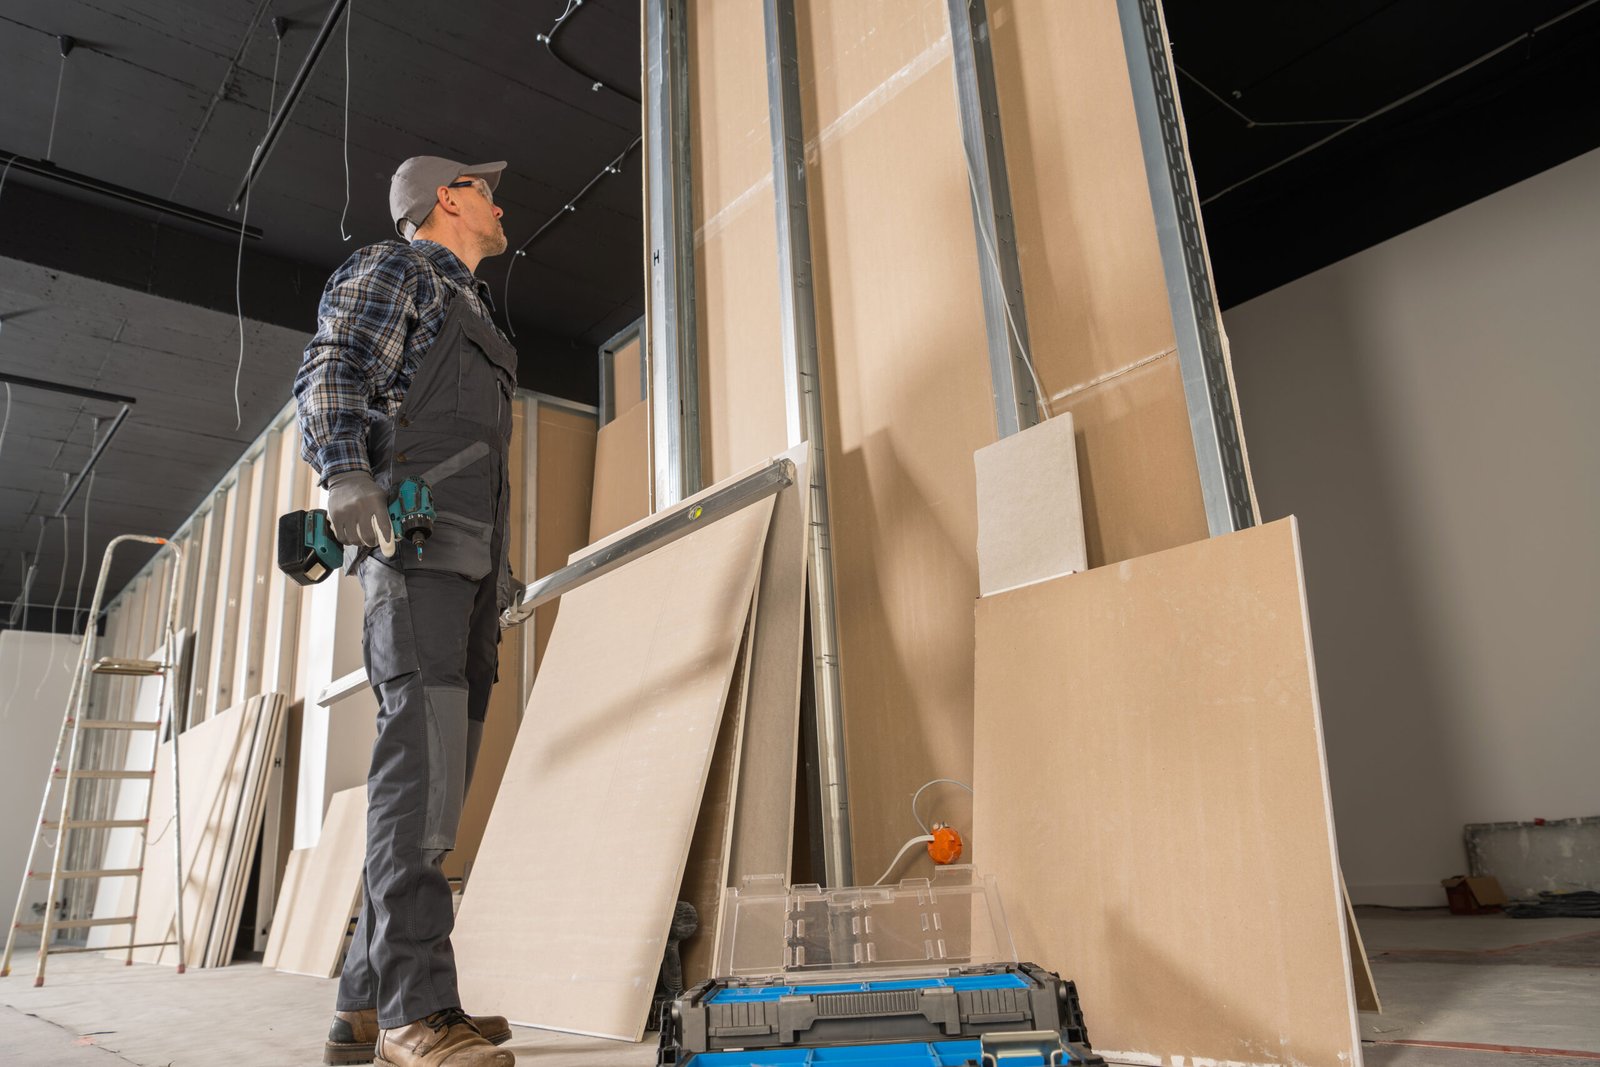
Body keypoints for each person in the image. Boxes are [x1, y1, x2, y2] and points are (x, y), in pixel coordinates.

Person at [294, 155, 525, 1067]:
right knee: (419, 777)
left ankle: (363, 1001)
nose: (500, 203)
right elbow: (331, 365)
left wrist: (500, 572)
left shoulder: (477, 311)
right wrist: (345, 470)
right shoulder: (395, 269)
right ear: (449, 198)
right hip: (412, 549)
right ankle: (416, 1014)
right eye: (487, 188)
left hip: (468, 561)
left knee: (437, 777)